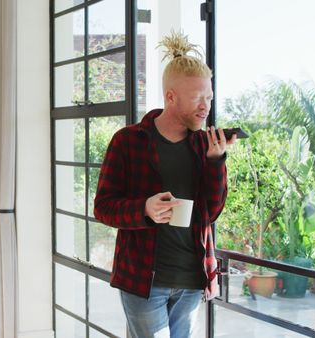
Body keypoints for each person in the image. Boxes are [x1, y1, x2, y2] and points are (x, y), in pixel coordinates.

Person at [93, 31, 237, 338]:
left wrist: (215, 161)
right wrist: (144, 209)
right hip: (144, 280)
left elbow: (210, 213)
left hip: (192, 279)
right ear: (170, 96)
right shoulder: (128, 141)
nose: (206, 106)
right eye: (198, 97)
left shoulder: (204, 146)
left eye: (209, 97)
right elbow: (103, 207)